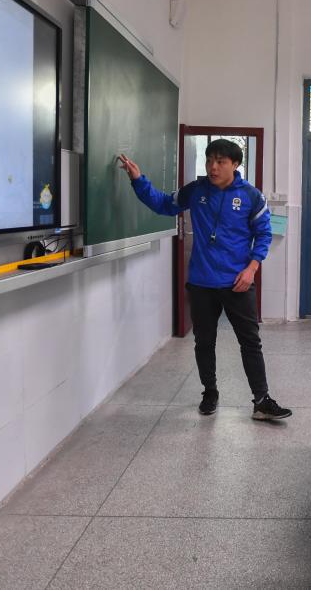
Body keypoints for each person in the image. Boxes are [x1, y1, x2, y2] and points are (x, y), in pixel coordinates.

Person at [118, 140, 291, 421]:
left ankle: (261, 400)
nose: (213, 166)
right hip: (202, 282)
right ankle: (209, 392)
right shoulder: (196, 191)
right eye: (210, 159)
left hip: (238, 281)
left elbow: (264, 234)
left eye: (221, 161)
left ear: (235, 165)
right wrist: (139, 180)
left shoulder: (251, 196)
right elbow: (163, 204)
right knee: (204, 342)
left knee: (250, 342)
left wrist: (252, 268)